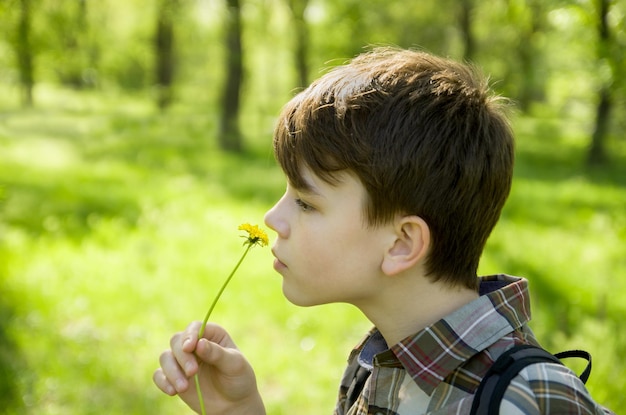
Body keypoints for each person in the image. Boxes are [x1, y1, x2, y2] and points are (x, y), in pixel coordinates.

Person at [153, 47, 608, 414]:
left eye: (306, 202)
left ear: (402, 243)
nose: (273, 219)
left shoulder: (526, 399)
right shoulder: (377, 362)